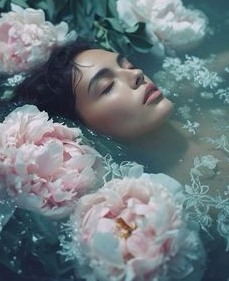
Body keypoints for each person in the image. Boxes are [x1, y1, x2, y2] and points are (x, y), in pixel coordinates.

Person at [15, 39, 229, 197]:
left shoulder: (205, 106)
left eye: (127, 65)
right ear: (82, 127)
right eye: (107, 86)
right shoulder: (159, 200)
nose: (136, 74)